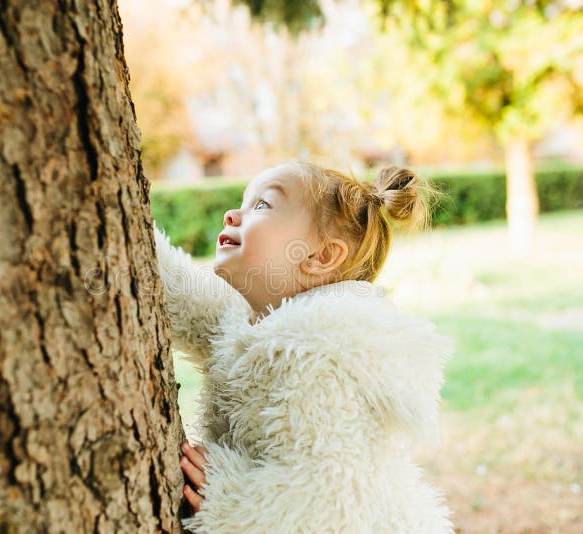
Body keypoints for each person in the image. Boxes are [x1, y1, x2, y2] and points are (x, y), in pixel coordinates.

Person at [153, 160, 455, 533]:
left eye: (262, 206)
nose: (233, 214)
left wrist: (229, 495)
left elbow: (329, 498)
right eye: (243, 201)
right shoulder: (253, 318)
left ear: (321, 257)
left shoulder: (322, 356)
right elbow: (186, 299)